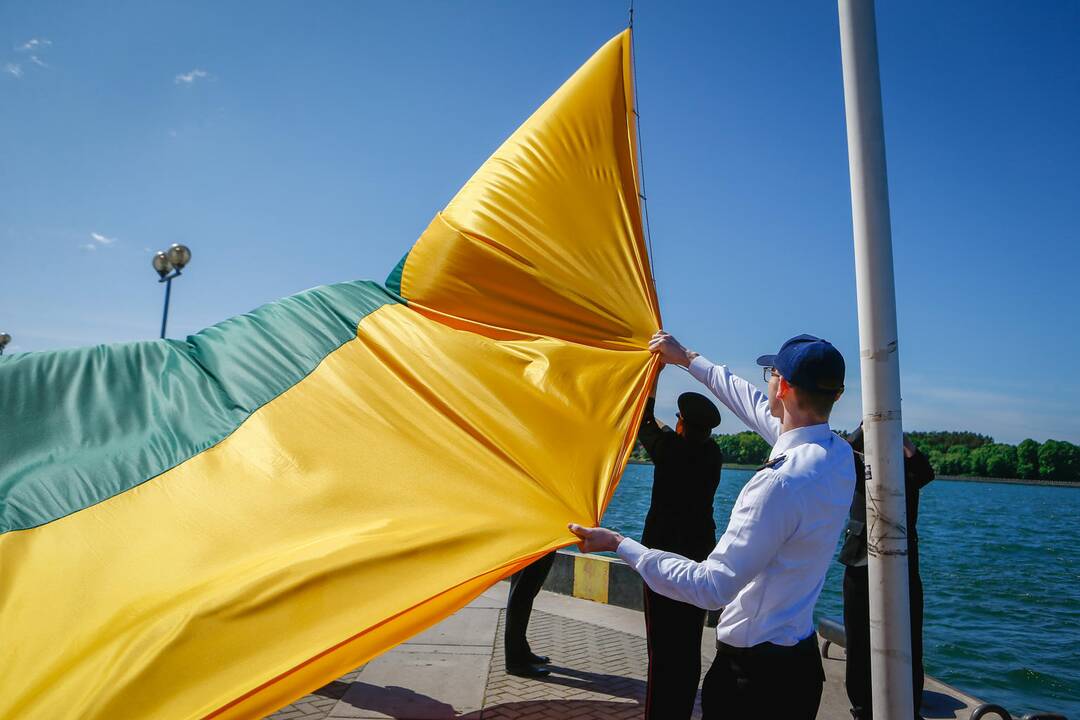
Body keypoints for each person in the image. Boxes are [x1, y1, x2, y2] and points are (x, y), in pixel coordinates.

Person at [570, 332, 855, 719]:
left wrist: (621, 544)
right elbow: (750, 402)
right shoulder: (838, 456)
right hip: (800, 671)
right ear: (835, 395)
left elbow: (712, 587)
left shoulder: (778, 483)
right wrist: (687, 358)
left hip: (753, 684)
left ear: (784, 386)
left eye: (770, 373)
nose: (764, 384)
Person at [637, 371, 724, 720]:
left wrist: (651, 376)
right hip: (698, 559)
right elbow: (659, 430)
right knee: (687, 648)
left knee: (662, 650)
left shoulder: (671, 451)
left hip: (661, 561)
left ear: (683, 425)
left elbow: (644, 420)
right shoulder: (712, 455)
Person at [839, 425, 934, 720]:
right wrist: (866, 426)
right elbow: (841, 449)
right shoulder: (854, 461)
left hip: (902, 563)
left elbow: (927, 472)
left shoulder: (908, 465)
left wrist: (902, 439)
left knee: (908, 637)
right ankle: (863, 707)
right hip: (859, 561)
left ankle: (909, 705)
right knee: (858, 639)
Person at [504, 551, 556, 677]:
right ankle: (515, 662)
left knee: (526, 594)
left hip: (544, 540)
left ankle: (522, 651)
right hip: (533, 544)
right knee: (521, 596)